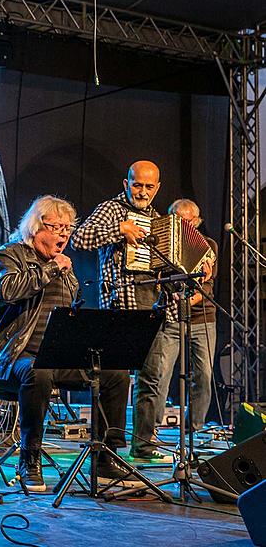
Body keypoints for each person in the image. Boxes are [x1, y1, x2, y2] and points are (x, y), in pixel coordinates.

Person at [0, 195, 136, 492]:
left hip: (55, 357)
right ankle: (29, 458)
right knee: (37, 372)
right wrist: (51, 269)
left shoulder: (63, 266)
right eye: (57, 227)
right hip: (9, 355)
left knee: (116, 375)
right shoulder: (8, 255)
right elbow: (8, 291)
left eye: (67, 229)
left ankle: (106, 457)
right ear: (36, 228)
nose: (64, 234)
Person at [71, 160, 177, 461]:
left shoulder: (158, 219)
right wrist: (119, 230)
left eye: (148, 186)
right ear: (126, 183)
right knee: (114, 379)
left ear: (157, 188)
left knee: (152, 378)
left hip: (152, 305)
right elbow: (79, 238)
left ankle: (143, 445)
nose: (141, 191)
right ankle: (108, 450)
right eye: (137, 184)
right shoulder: (112, 209)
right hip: (121, 303)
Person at [165, 199, 217, 431]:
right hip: (171, 317)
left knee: (203, 374)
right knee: (161, 373)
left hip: (202, 317)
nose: (185, 226)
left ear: (196, 222)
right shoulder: (166, 246)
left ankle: (195, 426)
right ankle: (153, 430)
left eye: (189, 221)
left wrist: (188, 301)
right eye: (179, 221)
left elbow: (207, 285)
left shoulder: (208, 245)